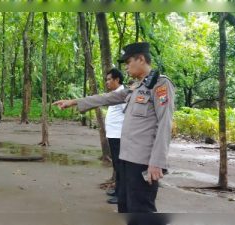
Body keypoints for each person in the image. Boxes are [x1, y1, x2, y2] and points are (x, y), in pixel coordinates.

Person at [53, 42, 175, 216]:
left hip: (142, 161)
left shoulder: (160, 85)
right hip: (126, 157)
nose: (126, 67)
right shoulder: (136, 87)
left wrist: (157, 162)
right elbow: (108, 97)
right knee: (124, 205)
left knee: (141, 209)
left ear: (141, 59)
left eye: (128, 62)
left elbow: (165, 124)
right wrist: (74, 102)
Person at [104, 68, 126, 205]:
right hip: (113, 135)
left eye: (109, 79)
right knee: (117, 165)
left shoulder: (123, 94)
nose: (107, 82)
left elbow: (128, 113)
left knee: (121, 167)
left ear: (117, 80)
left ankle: (122, 195)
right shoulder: (115, 94)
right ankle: (118, 189)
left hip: (119, 135)